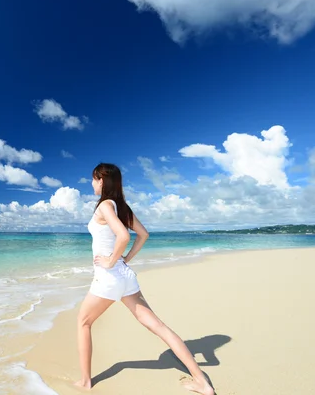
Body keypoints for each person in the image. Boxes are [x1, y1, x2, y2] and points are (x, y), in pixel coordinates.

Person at [74, 163, 214, 395]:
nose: (91, 183)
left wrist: (111, 261)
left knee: (83, 323)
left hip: (109, 276)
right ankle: (202, 381)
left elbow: (122, 235)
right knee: (158, 326)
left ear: (101, 179)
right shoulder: (122, 207)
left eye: (93, 179)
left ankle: (85, 382)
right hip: (125, 276)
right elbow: (143, 234)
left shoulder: (105, 206)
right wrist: (125, 258)